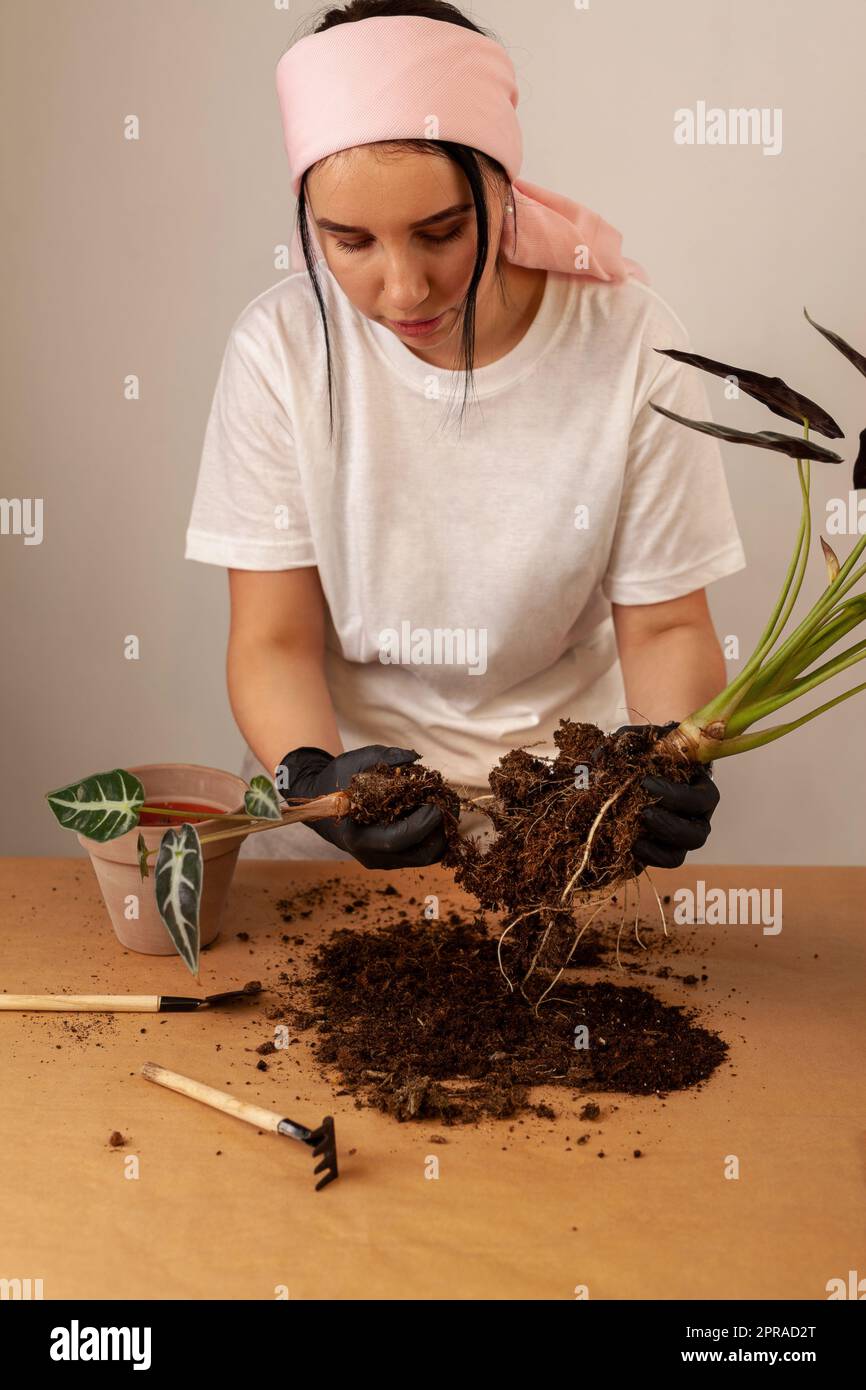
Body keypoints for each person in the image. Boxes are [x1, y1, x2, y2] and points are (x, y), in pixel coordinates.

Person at [184, 0, 745, 871]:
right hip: (354, 815)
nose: (404, 289)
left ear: (502, 188)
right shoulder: (279, 351)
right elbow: (272, 638)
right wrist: (312, 777)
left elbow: (667, 628)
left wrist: (662, 761)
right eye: (351, 241)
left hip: (571, 821)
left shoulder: (632, 344)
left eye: (441, 232)